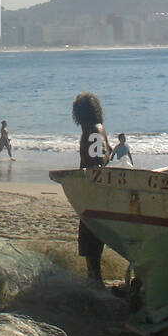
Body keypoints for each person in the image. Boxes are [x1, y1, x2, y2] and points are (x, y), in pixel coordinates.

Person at [72, 91, 111, 285]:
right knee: (93, 237)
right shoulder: (98, 128)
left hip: (94, 191)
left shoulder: (93, 131)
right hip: (97, 190)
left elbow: (97, 160)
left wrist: (89, 184)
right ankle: (94, 277)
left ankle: (95, 280)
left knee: (90, 237)